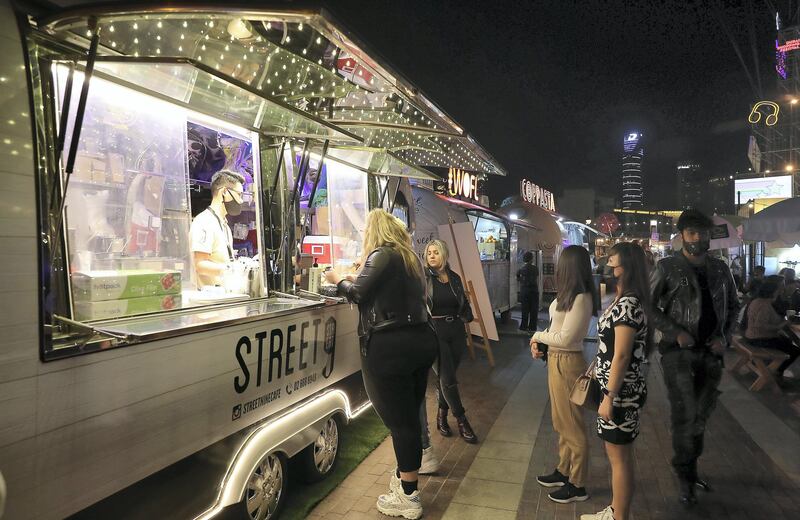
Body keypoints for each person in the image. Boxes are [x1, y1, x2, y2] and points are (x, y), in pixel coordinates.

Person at [324, 209, 437, 520]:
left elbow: (359, 292)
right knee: (409, 417)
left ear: (374, 232)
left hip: (390, 347)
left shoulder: (381, 254)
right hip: (421, 341)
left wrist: (336, 279)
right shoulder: (410, 258)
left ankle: (409, 496)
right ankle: (406, 480)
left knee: (399, 423)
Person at [649, 209, 738, 506]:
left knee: (700, 416)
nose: (698, 238)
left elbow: (733, 308)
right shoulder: (667, 267)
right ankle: (684, 475)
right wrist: (675, 332)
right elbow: (648, 307)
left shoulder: (721, 269)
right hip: (679, 355)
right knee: (685, 415)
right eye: (692, 233)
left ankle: (692, 468)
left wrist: (724, 338)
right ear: (682, 235)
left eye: (703, 232)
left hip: (711, 355)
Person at [581, 242, 650, 520]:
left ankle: (618, 516)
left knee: (619, 459)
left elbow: (622, 355)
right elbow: (610, 349)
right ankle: (615, 510)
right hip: (615, 388)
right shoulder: (623, 301)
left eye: (612, 263)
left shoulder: (629, 305)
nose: (607, 267)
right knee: (617, 456)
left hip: (620, 394)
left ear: (627, 269)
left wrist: (609, 396)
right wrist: (595, 365)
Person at [530, 245, 596, 504]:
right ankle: (563, 470)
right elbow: (556, 329)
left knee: (572, 425)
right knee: (561, 421)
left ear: (568, 266)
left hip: (569, 362)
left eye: (560, 262)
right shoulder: (569, 295)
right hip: (557, 359)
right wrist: (543, 345)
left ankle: (577, 484)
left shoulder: (582, 297)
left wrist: (536, 335)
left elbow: (568, 338)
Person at [417, 240, 476, 474]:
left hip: (456, 332)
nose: (431, 256)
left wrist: (466, 314)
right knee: (447, 378)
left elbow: (462, 302)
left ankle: (441, 415)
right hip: (435, 332)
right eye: (428, 253)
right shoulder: (424, 278)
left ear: (443, 254)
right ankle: (461, 419)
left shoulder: (454, 277)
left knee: (446, 378)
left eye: (435, 252)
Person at [190, 170, 247, 288]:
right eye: (239, 195)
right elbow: (200, 264)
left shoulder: (224, 224)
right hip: (209, 299)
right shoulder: (204, 221)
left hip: (224, 295)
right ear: (225, 192)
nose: (241, 201)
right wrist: (231, 269)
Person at [743, 276, 800, 383]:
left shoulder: (758, 300)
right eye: (781, 286)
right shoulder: (764, 304)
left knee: (786, 341)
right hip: (758, 339)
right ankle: (775, 371)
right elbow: (760, 325)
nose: (783, 288)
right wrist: (782, 324)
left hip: (751, 336)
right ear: (775, 290)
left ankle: (771, 368)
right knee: (795, 350)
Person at [517, 251, 540, 331]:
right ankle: (532, 327)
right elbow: (536, 276)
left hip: (524, 291)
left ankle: (523, 326)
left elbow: (517, 277)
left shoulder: (521, 269)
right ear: (531, 259)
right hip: (534, 291)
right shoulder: (535, 268)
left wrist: (522, 281)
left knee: (524, 310)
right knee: (534, 310)